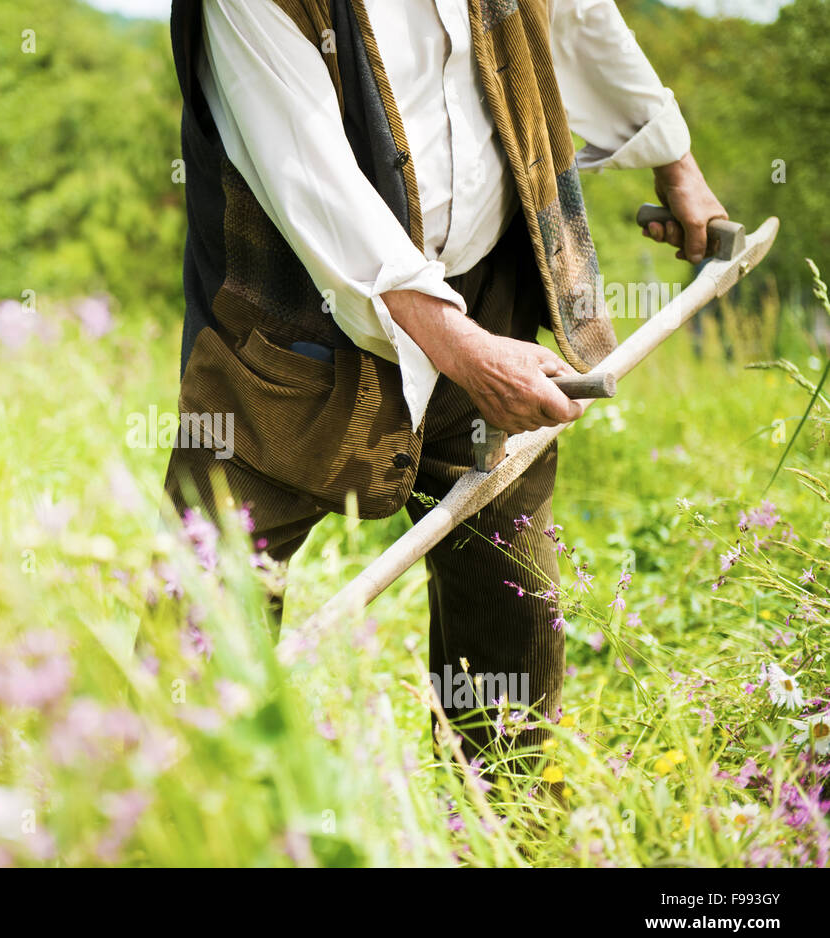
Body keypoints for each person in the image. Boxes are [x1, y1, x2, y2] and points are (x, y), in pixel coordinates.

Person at [163, 0, 727, 758]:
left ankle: (504, 822)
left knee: (510, 613)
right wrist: (463, 349)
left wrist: (673, 157)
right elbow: (312, 182)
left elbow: (575, 13)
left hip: (488, 297)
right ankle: (169, 808)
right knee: (207, 602)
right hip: (289, 337)